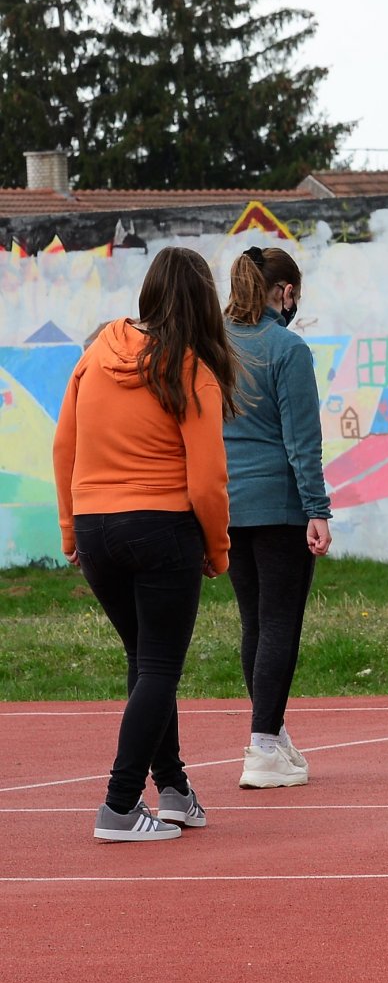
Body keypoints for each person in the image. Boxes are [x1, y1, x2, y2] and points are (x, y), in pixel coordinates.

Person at [54, 247, 238, 842]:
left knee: (146, 662)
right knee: (159, 666)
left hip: (95, 524)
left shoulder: (94, 354)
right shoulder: (191, 370)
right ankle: (119, 804)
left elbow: (64, 447)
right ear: (205, 302)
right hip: (161, 526)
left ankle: (176, 789)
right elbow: (207, 478)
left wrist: (69, 528)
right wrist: (218, 548)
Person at [223, 246, 332, 789]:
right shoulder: (288, 348)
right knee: (279, 623)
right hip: (280, 506)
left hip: (227, 506)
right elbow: (302, 441)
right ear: (283, 292)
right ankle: (263, 744)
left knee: (254, 622)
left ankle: (272, 734)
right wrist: (318, 509)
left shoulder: (210, 344)